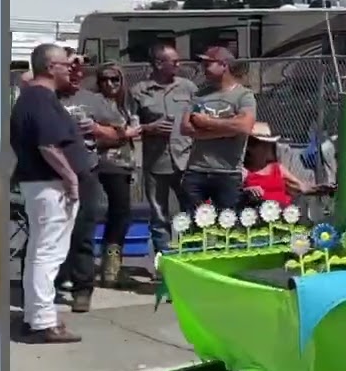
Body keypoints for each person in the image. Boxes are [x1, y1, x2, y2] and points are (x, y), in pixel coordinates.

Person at [9, 44, 83, 343]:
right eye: (66, 63)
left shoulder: (32, 98)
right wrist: (71, 178)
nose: (70, 68)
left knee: (42, 252)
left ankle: (36, 316)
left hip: (39, 184)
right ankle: (42, 321)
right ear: (51, 66)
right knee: (48, 254)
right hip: (49, 185)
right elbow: (48, 145)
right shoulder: (40, 99)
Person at [56, 52, 119, 312]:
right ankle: (55, 281)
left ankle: (83, 289)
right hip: (53, 173)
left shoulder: (93, 100)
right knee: (53, 232)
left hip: (86, 172)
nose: (75, 74)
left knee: (83, 230)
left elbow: (118, 132)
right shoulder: (47, 96)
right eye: (69, 69)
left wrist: (95, 128)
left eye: (79, 71)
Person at [130, 43, 197, 259]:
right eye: (174, 61)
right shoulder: (139, 91)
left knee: (192, 211)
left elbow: (199, 118)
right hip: (155, 162)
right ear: (159, 63)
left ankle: (191, 257)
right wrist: (149, 128)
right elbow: (127, 126)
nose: (179, 64)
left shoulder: (188, 88)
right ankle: (165, 259)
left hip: (185, 159)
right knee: (159, 213)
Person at [181, 46, 257, 211]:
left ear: (224, 65)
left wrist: (207, 122)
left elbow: (244, 126)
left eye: (208, 64)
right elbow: (186, 128)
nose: (203, 68)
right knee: (191, 225)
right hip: (196, 171)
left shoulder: (243, 95)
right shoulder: (200, 95)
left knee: (227, 224)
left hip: (228, 172)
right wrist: (228, 128)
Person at [92, 63, 142, 288]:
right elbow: (92, 137)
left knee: (121, 214)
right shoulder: (95, 103)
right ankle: (87, 265)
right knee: (90, 214)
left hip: (123, 165)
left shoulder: (126, 105)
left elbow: (135, 133)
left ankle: (112, 266)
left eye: (115, 79)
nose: (109, 84)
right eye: (104, 79)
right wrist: (123, 134)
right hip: (99, 164)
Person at [242, 122, 312, 206]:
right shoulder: (244, 170)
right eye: (252, 144)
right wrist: (247, 191)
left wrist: (316, 189)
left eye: (266, 144)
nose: (250, 148)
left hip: (285, 213)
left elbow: (300, 186)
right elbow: (236, 194)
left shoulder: (278, 168)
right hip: (258, 212)